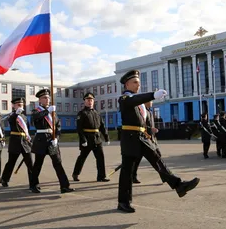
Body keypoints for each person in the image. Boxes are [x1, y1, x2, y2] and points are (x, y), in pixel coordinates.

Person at [117, 69, 200, 213]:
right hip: (130, 139)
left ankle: (179, 185)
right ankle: (123, 202)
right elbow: (134, 100)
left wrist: (149, 132)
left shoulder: (138, 101)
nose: (138, 85)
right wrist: (152, 95)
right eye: (135, 82)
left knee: (158, 161)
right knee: (127, 172)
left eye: (139, 83)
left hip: (142, 137)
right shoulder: (124, 99)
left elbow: (141, 120)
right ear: (127, 84)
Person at [30, 89, 74, 194]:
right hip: (41, 140)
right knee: (38, 164)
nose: (47, 99)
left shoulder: (53, 112)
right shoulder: (36, 110)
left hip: (51, 140)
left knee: (58, 163)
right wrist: (47, 111)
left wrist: (56, 138)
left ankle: (64, 186)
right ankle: (33, 185)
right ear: (40, 100)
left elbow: (58, 126)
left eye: (48, 97)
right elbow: (35, 119)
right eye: (45, 98)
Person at [72, 92, 110, 182]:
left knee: (100, 157)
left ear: (94, 101)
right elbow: (79, 128)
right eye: (88, 100)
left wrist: (106, 137)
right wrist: (83, 140)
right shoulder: (82, 113)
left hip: (97, 138)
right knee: (82, 157)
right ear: (84, 101)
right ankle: (75, 173)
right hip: (87, 138)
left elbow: (102, 126)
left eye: (91, 100)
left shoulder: (97, 113)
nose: (90, 102)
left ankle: (101, 176)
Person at [1, 98, 36, 190]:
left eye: (22, 104)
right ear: (13, 105)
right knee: (11, 162)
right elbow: (11, 121)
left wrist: (29, 139)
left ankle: (33, 184)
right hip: (15, 141)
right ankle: (4, 179)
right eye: (18, 104)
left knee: (30, 164)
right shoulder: (11, 115)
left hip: (24, 141)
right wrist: (16, 113)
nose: (21, 105)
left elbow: (27, 129)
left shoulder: (24, 116)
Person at [132, 100, 165, 183]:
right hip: (144, 139)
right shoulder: (142, 112)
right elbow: (141, 125)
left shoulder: (149, 111)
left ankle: (164, 176)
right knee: (137, 160)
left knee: (158, 157)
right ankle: (133, 176)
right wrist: (150, 129)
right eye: (150, 101)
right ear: (145, 102)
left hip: (152, 139)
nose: (152, 103)